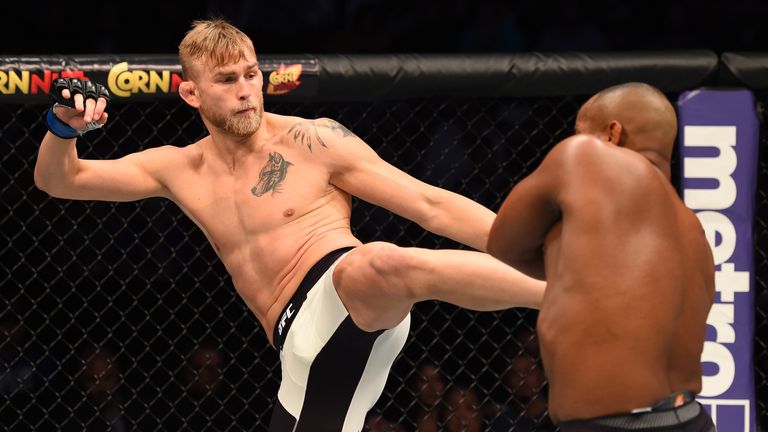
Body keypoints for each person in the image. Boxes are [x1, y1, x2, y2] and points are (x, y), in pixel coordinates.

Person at [33, 19, 545, 432]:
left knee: (385, 261)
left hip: (349, 292)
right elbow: (62, 180)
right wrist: (62, 129)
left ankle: (567, 286)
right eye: (227, 81)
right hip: (297, 342)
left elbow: (429, 204)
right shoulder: (177, 167)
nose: (246, 92)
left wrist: (533, 248)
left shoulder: (314, 141)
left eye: (252, 75)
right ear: (191, 93)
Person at [487, 82, 716, 431]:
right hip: (690, 419)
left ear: (612, 133)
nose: (575, 139)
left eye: (581, 131)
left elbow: (503, 242)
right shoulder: (694, 232)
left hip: (609, 424)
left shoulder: (584, 156)